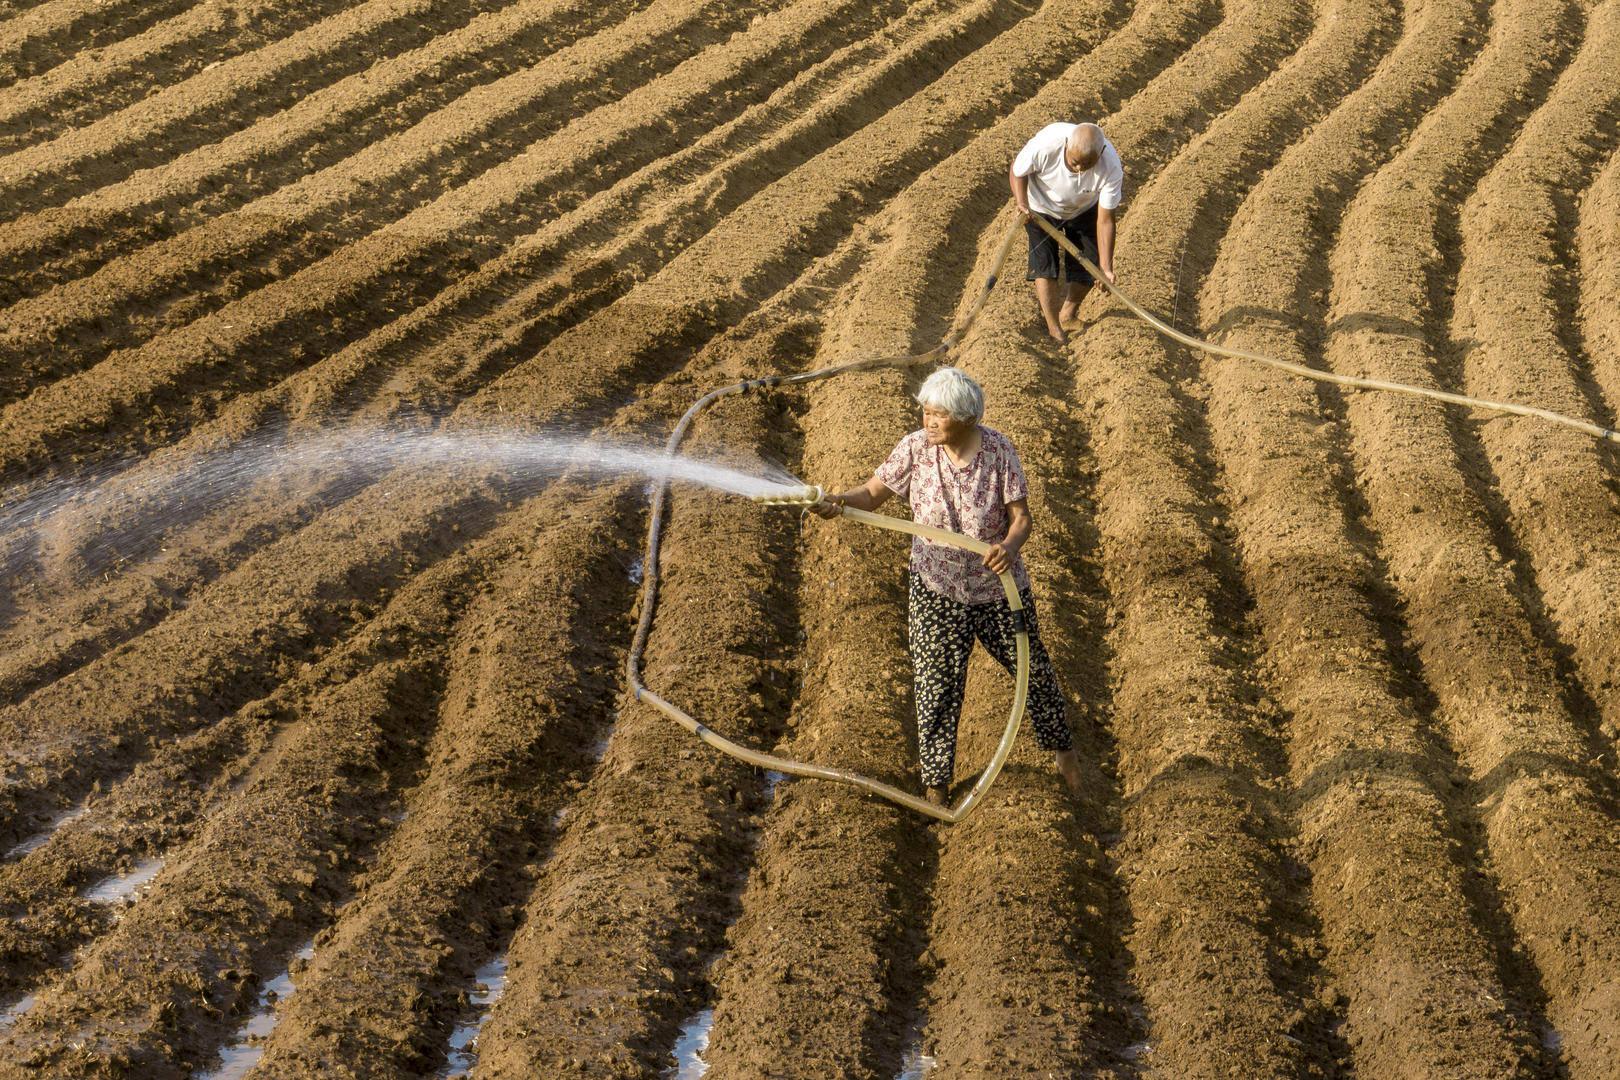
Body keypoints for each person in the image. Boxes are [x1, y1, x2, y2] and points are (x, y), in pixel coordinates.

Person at [813, 367, 1083, 806]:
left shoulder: (998, 450)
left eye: (940, 414)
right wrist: (837, 502)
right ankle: (936, 787)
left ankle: (1066, 759)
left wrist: (1009, 547)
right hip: (936, 587)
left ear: (967, 418)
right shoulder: (915, 449)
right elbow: (872, 493)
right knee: (936, 687)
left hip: (997, 589)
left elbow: (1021, 518)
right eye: (926, 411)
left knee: (1033, 674)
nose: (929, 421)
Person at [1009, 121, 1123, 342]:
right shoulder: (1046, 146)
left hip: (1083, 208)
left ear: (1101, 153)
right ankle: (1054, 328)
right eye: (1074, 162)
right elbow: (1017, 170)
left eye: (1087, 164)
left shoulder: (1111, 166)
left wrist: (1106, 268)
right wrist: (1022, 203)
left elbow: (1106, 220)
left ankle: (1067, 315)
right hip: (1040, 209)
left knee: (1090, 265)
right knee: (1044, 266)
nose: (1079, 169)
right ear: (1066, 146)